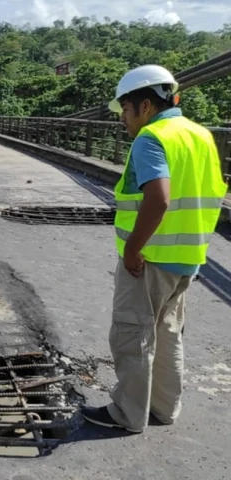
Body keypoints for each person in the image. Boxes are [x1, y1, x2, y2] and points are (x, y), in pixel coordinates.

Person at [81, 65, 228, 433]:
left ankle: (127, 414)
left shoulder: (152, 138)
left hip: (150, 259)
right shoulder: (200, 135)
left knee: (133, 334)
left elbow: (159, 198)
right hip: (189, 258)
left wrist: (134, 249)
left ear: (145, 106)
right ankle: (164, 407)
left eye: (125, 110)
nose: (122, 119)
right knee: (168, 333)